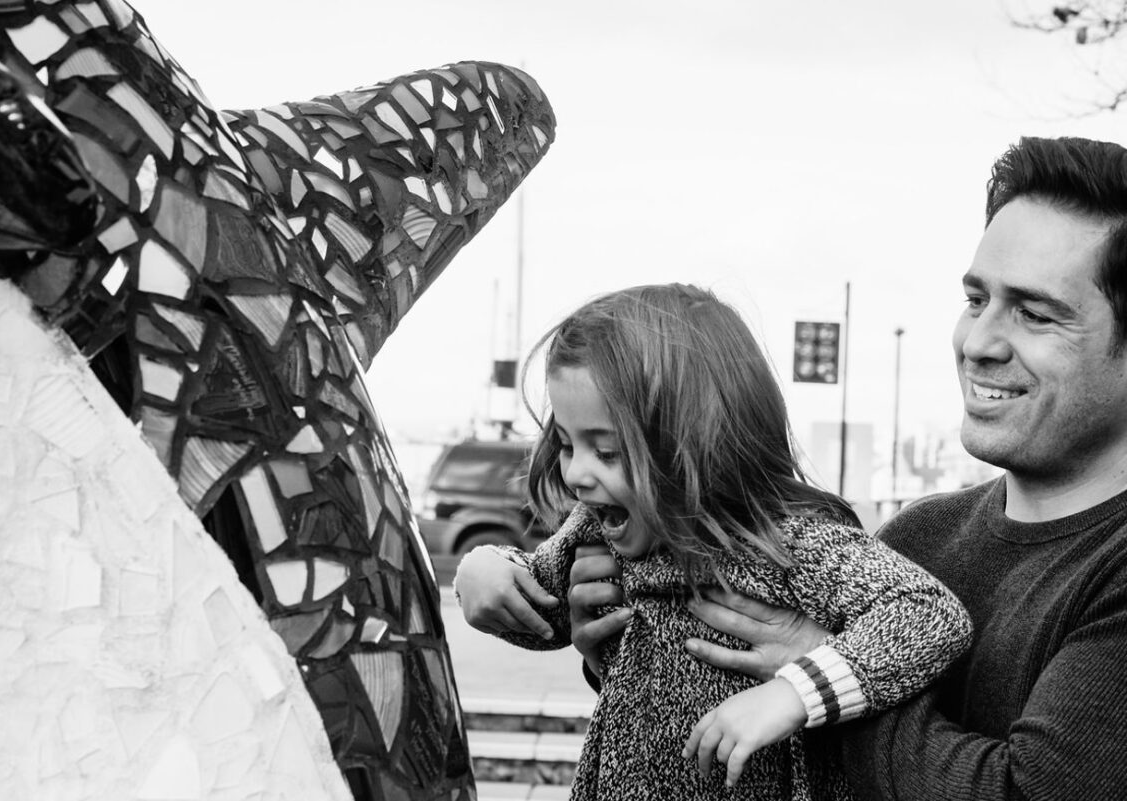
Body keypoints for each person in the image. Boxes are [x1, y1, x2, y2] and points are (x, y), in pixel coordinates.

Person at [495, 135, 1127, 800]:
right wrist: (622, 642)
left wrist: (815, 675)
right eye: (977, 300)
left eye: (1033, 313)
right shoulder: (921, 535)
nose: (979, 342)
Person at [455, 283, 972, 800]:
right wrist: (487, 572)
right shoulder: (598, 526)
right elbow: (545, 615)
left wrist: (795, 692)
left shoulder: (785, 540)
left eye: (607, 452)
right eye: (567, 444)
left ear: (697, 446)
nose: (577, 475)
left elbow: (928, 614)